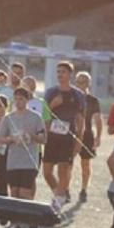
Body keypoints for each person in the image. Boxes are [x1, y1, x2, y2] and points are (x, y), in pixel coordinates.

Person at [0, 88, 47, 228]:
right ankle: (18, 223)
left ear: (27, 100)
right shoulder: (8, 118)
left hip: (29, 160)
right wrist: (11, 139)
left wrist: (31, 136)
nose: (19, 102)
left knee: (25, 192)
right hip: (13, 160)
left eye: (22, 99)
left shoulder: (36, 117)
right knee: (14, 192)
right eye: (16, 99)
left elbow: (43, 139)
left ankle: (31, 218)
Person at [43, 62, 86, 209]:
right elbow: (44, 115)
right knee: (47, 172)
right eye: (58, 72)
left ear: (70, 75)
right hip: (52, 137)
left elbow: (81, 119)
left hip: (68, 138)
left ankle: (57, 204)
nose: (60, 74)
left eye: (63, 72)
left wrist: (79, 140)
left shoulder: (78, 95)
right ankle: (59, 195)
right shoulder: (50, 92)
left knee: (63, 170)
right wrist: (52, 106)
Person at [74, 71, 103, 202]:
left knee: (85, 164)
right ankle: (65, 189)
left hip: (87, 135)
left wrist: (98, 136)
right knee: (67, 163)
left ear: (89, 83)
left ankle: (84, 189)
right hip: (71, 134)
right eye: (79, 81)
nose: (81, 84)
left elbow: (98, 119)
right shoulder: (71, 97)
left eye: (84, 81)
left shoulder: (93, 100)